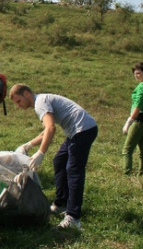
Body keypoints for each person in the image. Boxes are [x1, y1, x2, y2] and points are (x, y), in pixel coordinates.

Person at [11, 84, 98, 230]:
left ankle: (73, 217)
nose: (19, 106)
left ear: (26, 94)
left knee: (74, 170)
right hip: (76, 131)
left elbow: (51, 128)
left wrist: (41, 152)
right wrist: (29, 145)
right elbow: (47, 130)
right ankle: (61, 203)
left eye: (19, 101)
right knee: (59, 161)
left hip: (83, 130)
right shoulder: (41, 100)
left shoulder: (39, 103)